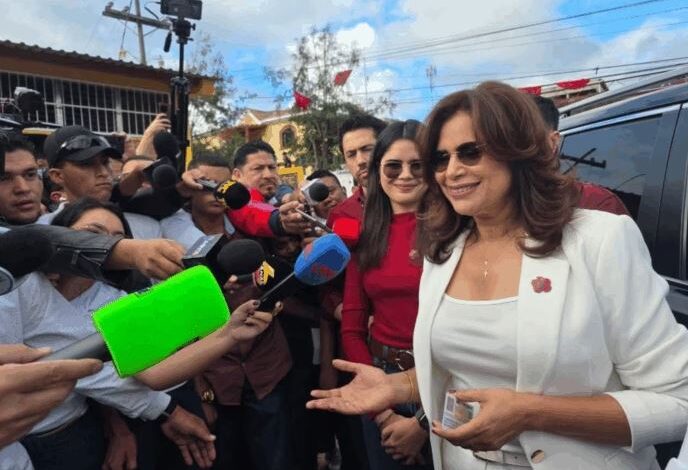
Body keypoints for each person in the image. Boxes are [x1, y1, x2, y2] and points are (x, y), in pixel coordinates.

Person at [308, 81, 688, 469]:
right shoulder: (443, 251)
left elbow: (678, 400)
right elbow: (466, 373)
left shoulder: (599, 239)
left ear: (517, 151)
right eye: (440, 158)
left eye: (470, 152)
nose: (452, 171)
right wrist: (400, 386)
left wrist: (531, 414)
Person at [341, 120, 431, 470]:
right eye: (394, 166)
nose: (405, 175)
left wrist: (422, 423)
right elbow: (352, 328)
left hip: (442, 386)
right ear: (378, 172)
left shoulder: (456, 233)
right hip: (378, 386)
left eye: (417, 165)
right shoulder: (365, 237)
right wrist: (381, 412)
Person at [531, 95, 630, 216]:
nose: (513, 152)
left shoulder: (597, 206)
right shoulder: (509, 206)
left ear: (552, 141)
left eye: (523, 140)